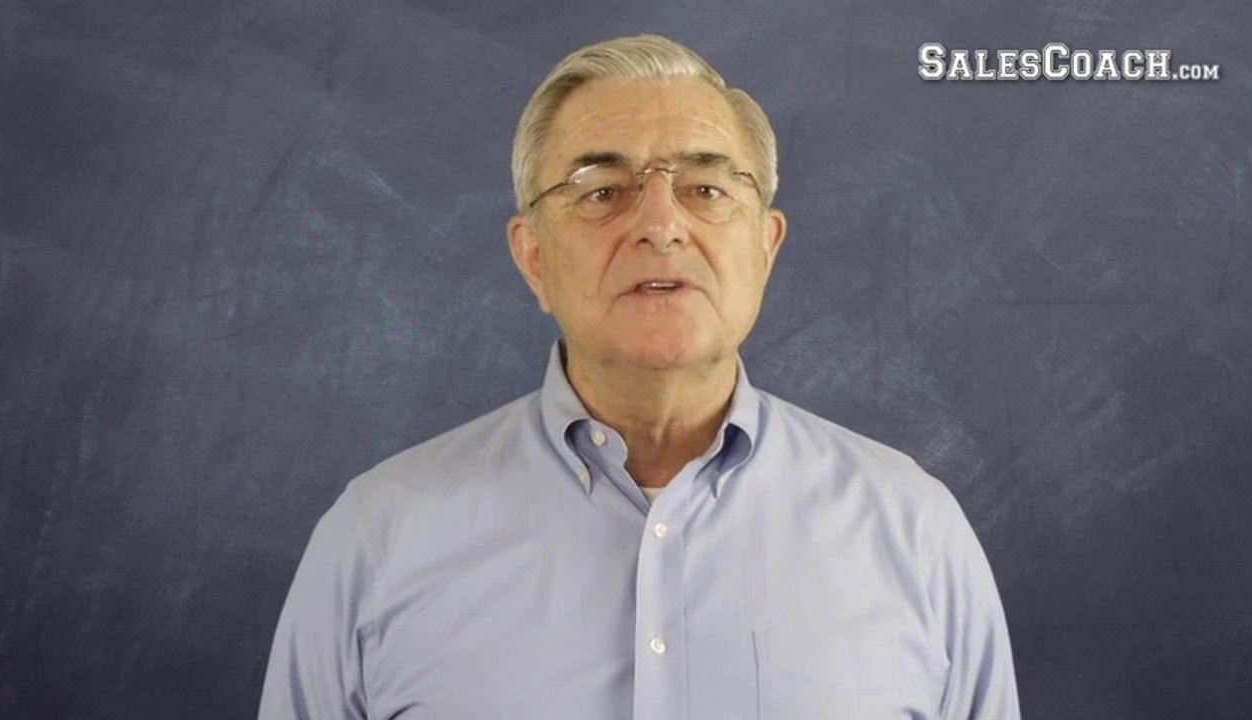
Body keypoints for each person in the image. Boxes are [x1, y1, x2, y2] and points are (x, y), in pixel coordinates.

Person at [259, 34, 1020, 719]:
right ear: (532, 255)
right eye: (602, 190)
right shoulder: (376, 540)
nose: (660, 224)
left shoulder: (915, 533)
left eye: (707, 189)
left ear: (766, 247)